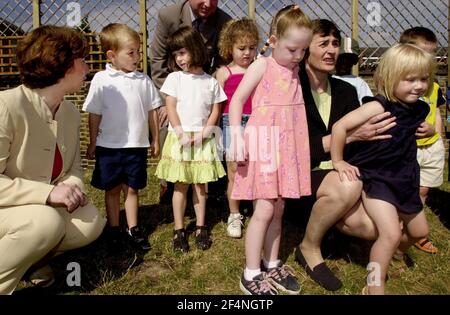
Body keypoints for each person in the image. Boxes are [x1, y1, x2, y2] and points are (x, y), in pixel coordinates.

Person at [290, 19, 399, 292]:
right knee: (347, 185)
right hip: (302, 174)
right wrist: (348, 136)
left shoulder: (346, 91)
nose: (331, 51)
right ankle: (309, 247)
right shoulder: (290, 90)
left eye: (335, 44)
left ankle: (329, 230)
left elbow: (362, 144)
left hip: (342, 175)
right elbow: (293, 149)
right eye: (323, 43)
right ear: (305, 49)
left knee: (375, 227)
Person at [0, 25, 106, 294]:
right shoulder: (6, 106)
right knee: (45, 223)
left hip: (32, 208)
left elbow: (73, 167)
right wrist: (49, 193)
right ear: (63, 67)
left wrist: (72, 187)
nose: (87, 69)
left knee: (90, 221)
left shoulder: (69, 111)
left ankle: (30, 261)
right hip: (13, 209)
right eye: (82, 61)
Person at [330, 43, 434, 294]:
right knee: (389, 233)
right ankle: (374, 283)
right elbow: (339, 128)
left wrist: (430, 130)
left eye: (423, 78)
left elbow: (414, 130)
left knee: (420, 231)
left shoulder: (420, 107)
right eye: (410, 79)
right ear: (390, 78)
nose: (418, 86)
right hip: (379, 179)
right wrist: (338, 160)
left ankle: (394, 254)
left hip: (406, 179)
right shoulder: (378, 106)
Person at [229, 5, 313, 295]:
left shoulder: (295, 68)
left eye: (303, 50)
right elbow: (238, 100)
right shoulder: (261, 65)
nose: (298, 56)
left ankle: (272, 262)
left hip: (288, 148)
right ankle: (250, 273)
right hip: (264, 145)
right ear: (273, 40)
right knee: (264, 208)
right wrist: (236, 135)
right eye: (292, 49)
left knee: (279, 208)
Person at [83, 23, 161, 253]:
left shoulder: (143, 81)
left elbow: (152, 111)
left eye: (139, 51)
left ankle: (133, 227)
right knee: (112, 189)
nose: (138, 56)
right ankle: (115, 228)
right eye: (131, 52)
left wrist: (155, 139)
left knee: (132, 188)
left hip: (136, 146)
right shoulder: (101, 80)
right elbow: (94, 113)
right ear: (111, 55)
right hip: (109, 147)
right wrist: (93, 141)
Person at [150, 0, 232, 200]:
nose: (207, 3)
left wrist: (203, 96)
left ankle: (208, 177)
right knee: (165, 120)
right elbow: (158, 61)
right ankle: (170, 181)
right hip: (172, 87)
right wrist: (167, 100)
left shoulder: (223, 21)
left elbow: (221, 65)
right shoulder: (168, 16)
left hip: (204, 85)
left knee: (215, 121)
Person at [155, 26, 227, 253]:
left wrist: (205, 133)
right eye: (175, 54)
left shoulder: (211, 82)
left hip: (203, 140)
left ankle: (201, 226)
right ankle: (178, 229)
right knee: (181, 185)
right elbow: (171, 107)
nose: (179, 59)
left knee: (200, 185)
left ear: (195, 49)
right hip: (181, 139)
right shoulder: (175, 79)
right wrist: (181, 134)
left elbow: (216, 110)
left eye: (183, 52)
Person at [399, 27, 446, 255]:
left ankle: (415, 231)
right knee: (404, 189)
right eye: (423, 53)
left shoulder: (434, 86)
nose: (429, 59)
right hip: (409, 148)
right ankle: (396, 228)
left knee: (423, 190)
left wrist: (437, 137)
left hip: (431, 146)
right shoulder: (401, 85)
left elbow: (437, 113)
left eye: (432, 53)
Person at [215, 18, 259, 239]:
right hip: (230, 123)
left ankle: (256, 210)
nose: (247, 53)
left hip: (256, 122)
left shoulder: (258, 69)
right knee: (234, 170)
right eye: (241, 48)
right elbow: (216, 104)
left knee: (255, 168)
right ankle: (234, 213)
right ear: (229, 47)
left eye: (252, 48)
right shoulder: (224, 72)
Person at [333, 37, 373, 104]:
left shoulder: (359, 83)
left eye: (348, 58)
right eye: (341, 58)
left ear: (354, 61)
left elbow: (368, 105)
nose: (344, 62)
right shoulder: (327, 80)